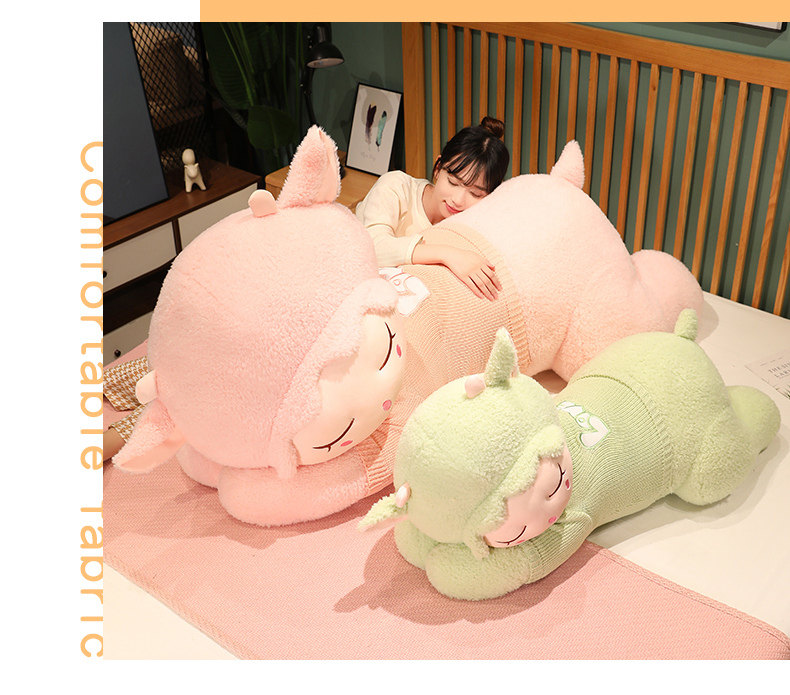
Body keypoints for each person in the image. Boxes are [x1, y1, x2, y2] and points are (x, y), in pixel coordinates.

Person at [355, 116, 510, 301]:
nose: (458, 200)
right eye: (453, 182)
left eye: (475, 194)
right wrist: (448, 255)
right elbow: (372, 249)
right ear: (438, 168)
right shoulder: (395, 186)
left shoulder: (474, 227)